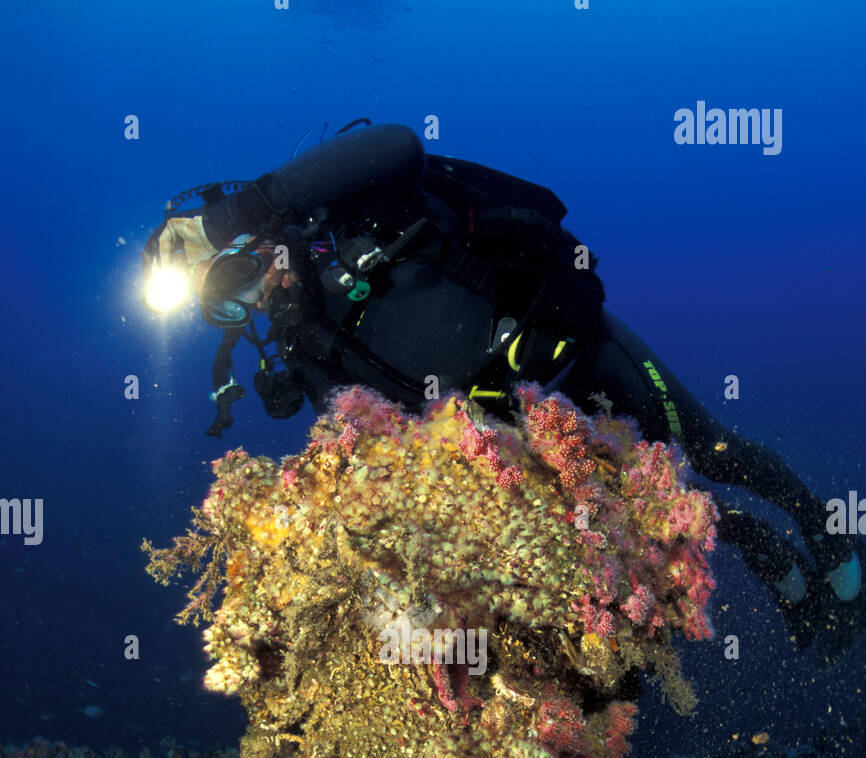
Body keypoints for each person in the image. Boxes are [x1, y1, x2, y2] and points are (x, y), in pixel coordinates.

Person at [143, 120, 864, 665]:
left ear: (245, 235)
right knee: (647, 521)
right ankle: (772, 559)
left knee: (707, 449)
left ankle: (834, 541)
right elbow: (374, 436)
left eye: (234, 276)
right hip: (515, 431)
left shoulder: (343, 214)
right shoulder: (304, 340)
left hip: (570, 349)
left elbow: (398, 144)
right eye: (229, 308)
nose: (255, 301)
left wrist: (257, 202)